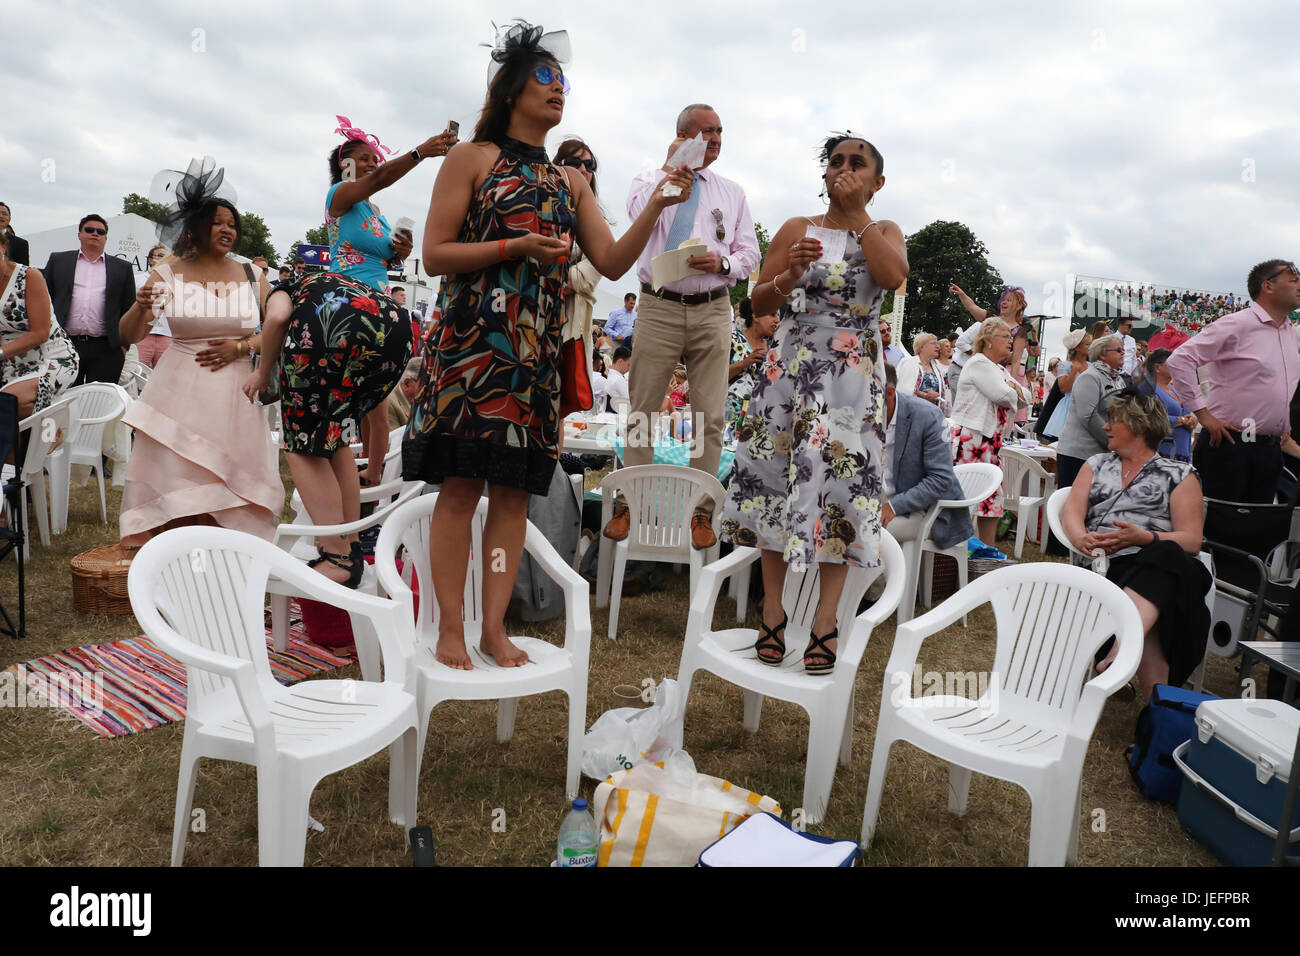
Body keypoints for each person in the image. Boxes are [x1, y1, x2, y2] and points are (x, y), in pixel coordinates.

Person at [402, 20, 693, 669]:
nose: (558, 87)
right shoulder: (470, 159)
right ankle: (451, 626)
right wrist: (516, 246)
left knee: (512, 497)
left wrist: (659, 204)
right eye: (544, 76)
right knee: (459, 489)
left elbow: (614, 262)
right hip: (470, 348)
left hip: (533, 356)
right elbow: (436, 253)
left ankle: (493, 629)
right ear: (509, 88)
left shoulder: (572, 182)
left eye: (562, 79)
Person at [719, 131, 908, 675]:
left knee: (843, 490)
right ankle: (772, 609)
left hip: (851, 382)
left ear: (877, 181)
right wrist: (788, 275)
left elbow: (892, 277)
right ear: (824, 173)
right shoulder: (797, 228)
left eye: (857, 163)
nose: (843, 168)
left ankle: (826, 620)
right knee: (774, 480)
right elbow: (755, 300)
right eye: (836, 161)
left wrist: (858, 217)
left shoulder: (886, 230)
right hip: (789, 371)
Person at [243, 118, 452, 583]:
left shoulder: (372, 213)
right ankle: (350, 547)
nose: (374, 166)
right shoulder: (340, 196)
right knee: (335, 433)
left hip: (341, 323)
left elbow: (278, 315)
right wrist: (422, 151)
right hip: (387, 328)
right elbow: (373, 181)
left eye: (376, 160)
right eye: (366, 159)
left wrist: (399, 251)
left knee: (305, 438)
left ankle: (335, 552)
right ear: (344, 164)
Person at [610, 101, 761, 549]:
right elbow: (639, 215)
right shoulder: (648, 180)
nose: (714, 139)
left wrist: (724, 260)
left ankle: (701, 512)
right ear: (682, 136)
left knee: (708, 414)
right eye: (704, 132)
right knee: (642, 407)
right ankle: (632, 503)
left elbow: (751, 254)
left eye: (719, 131)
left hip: (713, 304)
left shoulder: (731, 192)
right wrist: (669, 172)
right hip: (658, 303)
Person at [118, 164, 283, 546]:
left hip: (235, 394)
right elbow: (130, 334)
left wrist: (242, 346)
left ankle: (226, 559)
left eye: (232, 224)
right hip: (180, 393)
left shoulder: (249, 273)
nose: (228, 230)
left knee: (228, 481)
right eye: (218, 223)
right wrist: (140, 307)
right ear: (196, 227)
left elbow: (276, 328)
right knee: (179, 478)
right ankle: (173, 560)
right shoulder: (168, 271)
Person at [1060, 389, 1211, 699]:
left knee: (1164, 554)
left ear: (1140, 426)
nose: (1105, 426)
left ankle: (1118, 653)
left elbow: (1192, 540)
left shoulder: (1180, 474)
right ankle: (1157, 714)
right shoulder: (1097, 464)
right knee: (1158, 602)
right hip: (1110, 568)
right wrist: (1080, 538)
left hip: (1169, 564)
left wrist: (1145, 538)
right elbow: (1071, 513)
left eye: (1114, 420)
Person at [1167, 259, 1300, 502]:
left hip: (1270, 449)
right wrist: (1205, 416)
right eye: (1294, 280)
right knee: (1220, 530)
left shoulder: (1291, 333)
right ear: (1268, 287)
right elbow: (1180, 360)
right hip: (1230, 444)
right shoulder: (1237, 323)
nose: (1299, 286)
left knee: (1257, 530)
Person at [947, 316, 1031, 546]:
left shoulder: (996, 368)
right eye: (1005, 336)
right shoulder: (978, 363)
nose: (1011, 341)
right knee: (966, 495)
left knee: (992, 498)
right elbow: (1003, 395)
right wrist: (1013, 388)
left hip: (990, 441)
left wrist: (1012, 388)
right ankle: (957, 548)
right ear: (988, 340)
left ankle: (986, 550)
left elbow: (1028, 398)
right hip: (971, 438)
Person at [881, 362, 974, 548]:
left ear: (890, 393)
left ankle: (894, 577)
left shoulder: (927, 416)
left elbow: (941, 479)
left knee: (865, 536)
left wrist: (893, 506)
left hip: (927, 509)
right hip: (878, 503)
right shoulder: (857, 416)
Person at [42, 214, 137, 385]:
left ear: (106, 238)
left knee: (99, 402)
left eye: (100, 231)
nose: (95, 233)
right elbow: (44, 298)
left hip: (107, 347)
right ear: (79, 234)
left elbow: (129, 308)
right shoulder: (59, 260)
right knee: (64, 400)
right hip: (64, 344)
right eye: (89, 230)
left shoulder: (122, 268)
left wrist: (123, 346)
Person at [0, 231, 79, 417]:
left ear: (3, 247)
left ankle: (47, 435)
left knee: (8, 402)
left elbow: (40, 333)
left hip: (51, 360)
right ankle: (48, 431)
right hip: (9, 365)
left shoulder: (29, 277)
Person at [554, 136, 606, 405]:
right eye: (575, 162)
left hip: (572, 325)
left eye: (590, 164)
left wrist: (552, 276)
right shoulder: (540, 207)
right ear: (558, 166)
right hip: (532, 318)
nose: (584, 169)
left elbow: (591, 273)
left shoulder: (597, 223)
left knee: (559, 407)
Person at [1055, 333, 1127, 489]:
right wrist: (1113, 441)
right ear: (1102, 354)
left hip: (1101, 454)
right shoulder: (1090, 377)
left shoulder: (1117, 379)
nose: (1123, 353)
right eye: (1119, 350)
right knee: (1073, 504)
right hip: (1078, 453)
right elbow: (1088, 415)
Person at [947, 283, 1024, 395]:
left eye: (1009, 300)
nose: (1003, 302)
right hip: (961, 369)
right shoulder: (990, 320)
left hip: (983, 375)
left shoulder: (1019, 332)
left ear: (1018, 306)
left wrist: (1011, 384)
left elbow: (1016, 361)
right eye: (1003, 299)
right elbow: (972, 307)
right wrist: (962, 294)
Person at [725, 297, 778, 432]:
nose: (777, 320)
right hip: (727, 420)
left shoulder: (774, 348)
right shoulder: (732, 340)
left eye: (778, 315)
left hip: (757, 422)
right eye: (772, 315)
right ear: (755, 316)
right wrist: (745, 362)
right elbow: (714, 377)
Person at [1037, 329, 1090, 441]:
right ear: (1077, 347)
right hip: (1068, 407)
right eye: (1087, 344)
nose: (1090, 347)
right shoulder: (1065, 366)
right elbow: (1064, 389)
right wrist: (1074, 370)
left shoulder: (1091, 366)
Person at [1143, 348, 1195, 461]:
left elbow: (1187, 414)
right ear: (1157, 367)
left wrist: (1192, 421)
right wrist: (1181, 420)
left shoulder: (1173, 388)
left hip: (1181, 452)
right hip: (1162, 453)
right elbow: (1148, 419)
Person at [133, 245, 174, 368]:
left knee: (163, 375)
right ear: (150, 260)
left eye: (167, 257)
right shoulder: (137, 279)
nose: (164, 259)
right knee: (137, 373)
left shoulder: (175, 283)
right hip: (142, 335)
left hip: (166, 334)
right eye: (160, 256)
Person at [896, 331, 947, 412]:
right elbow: (902, 390)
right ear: (921, 347)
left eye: (937, 344)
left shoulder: (937, 368)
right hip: (912, 414)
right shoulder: (909, 363)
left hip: (932, 415)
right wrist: (925, 395)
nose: (938, 347)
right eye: (933, 343)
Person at [387, 356, 422, 430]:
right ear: (407, 384)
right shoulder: (389, 403)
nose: (429, 388)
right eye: (425, 384)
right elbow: (392, 440)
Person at [605, 346, 631, 410]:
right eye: (629, 365)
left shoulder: (612, 376)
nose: (630, 368)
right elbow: (632, 402)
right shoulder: (618, 380)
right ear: (620, 361)